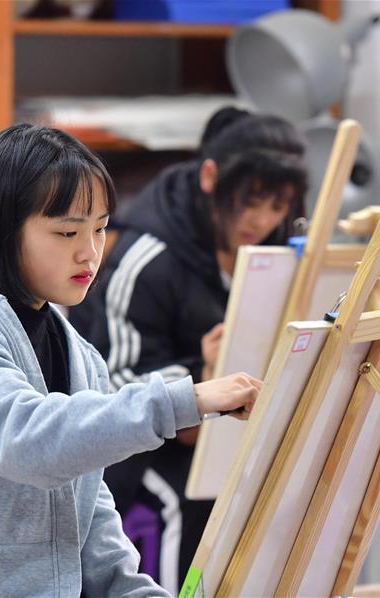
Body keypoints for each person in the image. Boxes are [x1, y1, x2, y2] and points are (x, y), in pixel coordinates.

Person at [0, 124, 262, 597]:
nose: (89, 252)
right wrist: (185, 400)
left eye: (101, 228)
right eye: (67, 231)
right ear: (1, 230)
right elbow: (29, 440)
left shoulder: (79, 357)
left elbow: (93, 537)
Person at [69, 107, 309, 593]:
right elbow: (115, 389)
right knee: (189, 502)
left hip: (234, 438)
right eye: (250, 201)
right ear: (209, 178)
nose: (262, 220)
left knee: (305, 497)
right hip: (141, 456)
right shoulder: (148, 259)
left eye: (277, 206)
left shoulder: (285, 251)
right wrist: (201, 375)